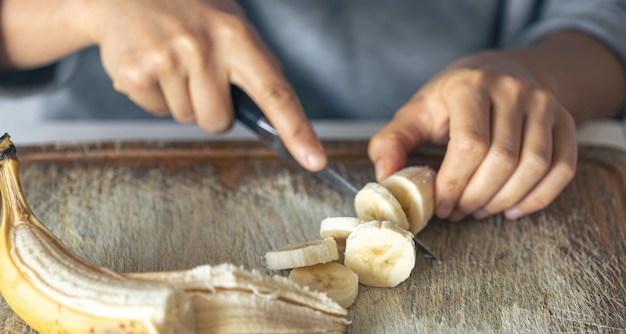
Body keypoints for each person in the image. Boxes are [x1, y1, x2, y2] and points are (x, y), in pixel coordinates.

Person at [0, 0, 624, 222]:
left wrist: (539, 74)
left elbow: (603, 19)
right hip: (79, 161)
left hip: (457, 145)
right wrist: (84, 8)